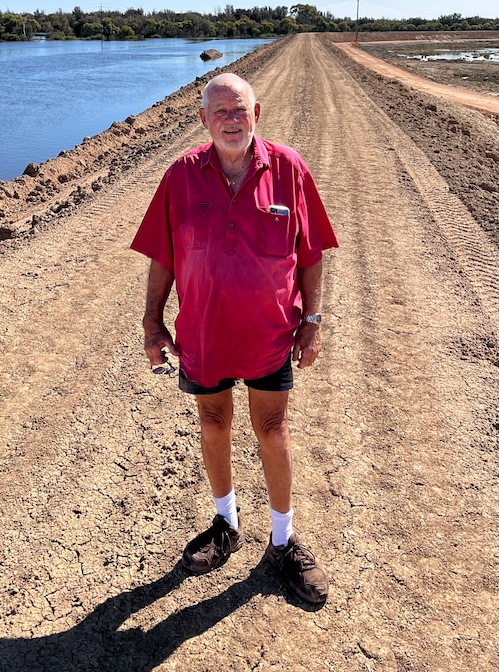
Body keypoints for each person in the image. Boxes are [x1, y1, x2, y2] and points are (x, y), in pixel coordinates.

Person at [130, 72, 338, 605]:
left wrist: (312, 321)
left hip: (271, 334)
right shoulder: (180, 176)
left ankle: (283, 540)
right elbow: (162, 256)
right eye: (219, 110)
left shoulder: (289, 169)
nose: (230, 119)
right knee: (212, 420)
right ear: (203, 119)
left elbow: (311, 253)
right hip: (203, 334)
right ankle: (226, 523)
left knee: (272, 428)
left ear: (257, 113)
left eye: (239, 109)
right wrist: (153, 323)